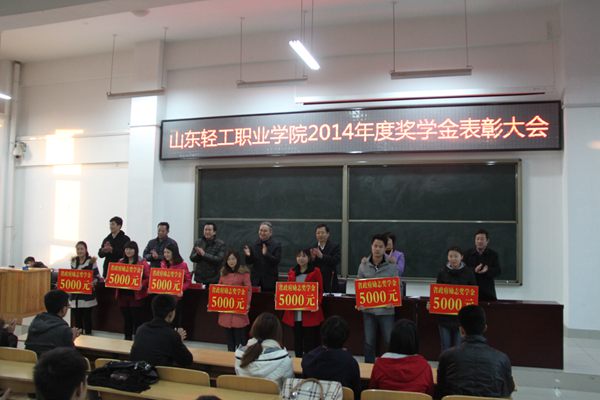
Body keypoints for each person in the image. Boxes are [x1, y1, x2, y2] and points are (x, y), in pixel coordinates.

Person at [436, 305, 515, 398]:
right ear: (485, 328)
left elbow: (440, 390)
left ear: (461, 330)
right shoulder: (502, 359)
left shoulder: (446, 357)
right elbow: (508, 390)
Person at [357, 234, 399, 363]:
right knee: (369, 342)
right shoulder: (363, 265)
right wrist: (359, 302)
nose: (377, 249)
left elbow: (398, 286)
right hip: (368, 311)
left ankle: (391, 367)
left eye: (381, 246)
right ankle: (369, 369)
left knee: (389, 341)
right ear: (371, 246)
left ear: (385, 248)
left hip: (386, 311)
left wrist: (394, 300)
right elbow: (359, 285)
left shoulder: (392, 266)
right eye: (375, 246)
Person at [369, 319, 434, 396]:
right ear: (415, 341)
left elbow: (371, 393)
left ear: (393, 340)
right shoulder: (425, 367)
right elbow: (430, 395)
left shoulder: (379, 365)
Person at [302, 315, 360, 399]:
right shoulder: (350, 363)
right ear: (345, 338)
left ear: (322, 334)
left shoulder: (308, 358)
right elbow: (356, 393)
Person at [282, 249, 324, 357]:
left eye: (304, 256)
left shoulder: (315, 271)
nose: (301, 258)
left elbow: (320, 290)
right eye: (299, 256)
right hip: (295, 313)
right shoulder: (292, 271)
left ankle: (310, 362)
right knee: (297, 341)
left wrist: (317, 303)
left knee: (310, 342)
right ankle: (298, 361)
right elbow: (288, 290)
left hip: (310, 313)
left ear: (309, 258)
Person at [130, 294, 193, 367]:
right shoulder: (172, 335)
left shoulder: (141, 329)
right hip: (157, 373)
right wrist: (178, 340)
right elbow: (187, 361)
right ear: (171, 314)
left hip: (136, 371)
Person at [234, 312, 294, 388]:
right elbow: (289, 386)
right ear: (277, 333)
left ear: (254, 329)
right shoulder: (284, 359)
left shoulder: (239, 355)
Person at [435, 246, 477, 352]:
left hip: (461, 319)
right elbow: (437, 293)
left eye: (456, 256)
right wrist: (432, 303)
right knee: (445, 348)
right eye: (450, 256)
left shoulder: (468, 273)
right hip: (444, 318)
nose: (453, 259)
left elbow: (474, 293)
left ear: (461, 257)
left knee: (459, 349)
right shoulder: (442, 272)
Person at [25, 289, 80, 356]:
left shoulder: (35, 322)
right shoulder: (64, 330)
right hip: (52, 362)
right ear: (63, 309)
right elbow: (70, 356)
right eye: (67, 306)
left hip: (32, 361)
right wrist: (72, 338)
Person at [217, 250, 252, 351]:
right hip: (226, 311)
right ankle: (230, 356)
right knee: (229, 340)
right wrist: (214, 302)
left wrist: (247, 304)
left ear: (237, 259)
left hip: (239, 310)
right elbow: (218, 289)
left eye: (233, 259)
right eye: (229, 259)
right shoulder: (223, 272)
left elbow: (248, 290)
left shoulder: (244, 273)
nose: (231, 261)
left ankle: (240, 357)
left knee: (240, 340)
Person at [116, 241, 151, 340]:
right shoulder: (120, 262)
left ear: (135, 250)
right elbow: (115, 275)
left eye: (131, 249)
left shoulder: (142, 262)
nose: (128, 251)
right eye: (126, 249)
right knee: (126, 319)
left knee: (137, 319)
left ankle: (138, 340)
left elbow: (148, 277)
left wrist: (142, 284)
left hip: (136, 296)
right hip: (123, 295)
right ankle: (127, 339)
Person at [69, 241, 100, 335]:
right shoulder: (73, 261)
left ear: (86, 250)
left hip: (87, 297)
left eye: (82, 249)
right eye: (78, 249)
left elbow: (97, 276)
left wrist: (93, 282)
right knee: (77, 320)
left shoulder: (91, 261)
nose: (80, 251)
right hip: (75, 296)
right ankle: (78, 339)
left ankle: (88, 338)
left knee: (87, 319)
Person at [243, 222, 281, 292]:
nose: (262, 233)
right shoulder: (254, 244)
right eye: (260, 230)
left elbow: (276, 261)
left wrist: (266, 254)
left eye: (265, 231)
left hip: (269, 282)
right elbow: (249, 262)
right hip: (255, 281)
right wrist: (248, 255)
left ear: (270, 233)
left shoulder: (276, 245)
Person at [464, 229, 501, 301]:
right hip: (471, 291)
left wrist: (487, 270)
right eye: (477, 239)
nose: (479, 241)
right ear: (475, 240)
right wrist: (474, 270)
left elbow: (498, 271)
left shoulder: (493, 255)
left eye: (482, 239)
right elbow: (463, 270)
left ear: (487, 241)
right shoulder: (467, 254)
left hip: (488, 292)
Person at [161, 243, 192, 327]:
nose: (166, 254)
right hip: (164, 296)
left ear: (174, 253)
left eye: (168, 252)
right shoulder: (163, 264)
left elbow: (188, 281)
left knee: (175, 320)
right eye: (164, 252)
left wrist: (181, 289)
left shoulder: (183, 265)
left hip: (176, 298)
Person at [310, 224, 341, 293]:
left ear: (328, 234)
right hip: (316, 281)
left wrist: (322, 256)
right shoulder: (313, 247)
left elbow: (336, 260)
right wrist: (312, 259)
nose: (320, 235)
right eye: (318, 233)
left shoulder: (335, 246)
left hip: (330, 281)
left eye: (322, 233)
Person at [383, 232, 406, 296]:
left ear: (393, 242)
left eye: (388, 240)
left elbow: (400, 272)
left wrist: (394, 264)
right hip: (381, 285)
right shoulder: (378, 254)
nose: (387, 242)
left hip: (394, 285)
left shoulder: (399, 255)